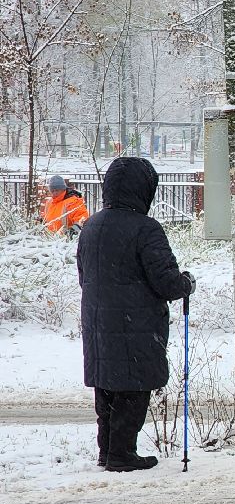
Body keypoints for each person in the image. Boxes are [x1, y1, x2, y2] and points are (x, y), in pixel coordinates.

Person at [77, 157, 195, 472]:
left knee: (107, 385)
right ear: (144, 189)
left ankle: (108, 451)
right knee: (133, 387)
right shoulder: (145, 229)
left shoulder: (92, 226)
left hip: (98, 322)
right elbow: (167, 283)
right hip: (136, 325)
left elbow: (83, 276)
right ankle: (121, 454)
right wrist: (186, 283)